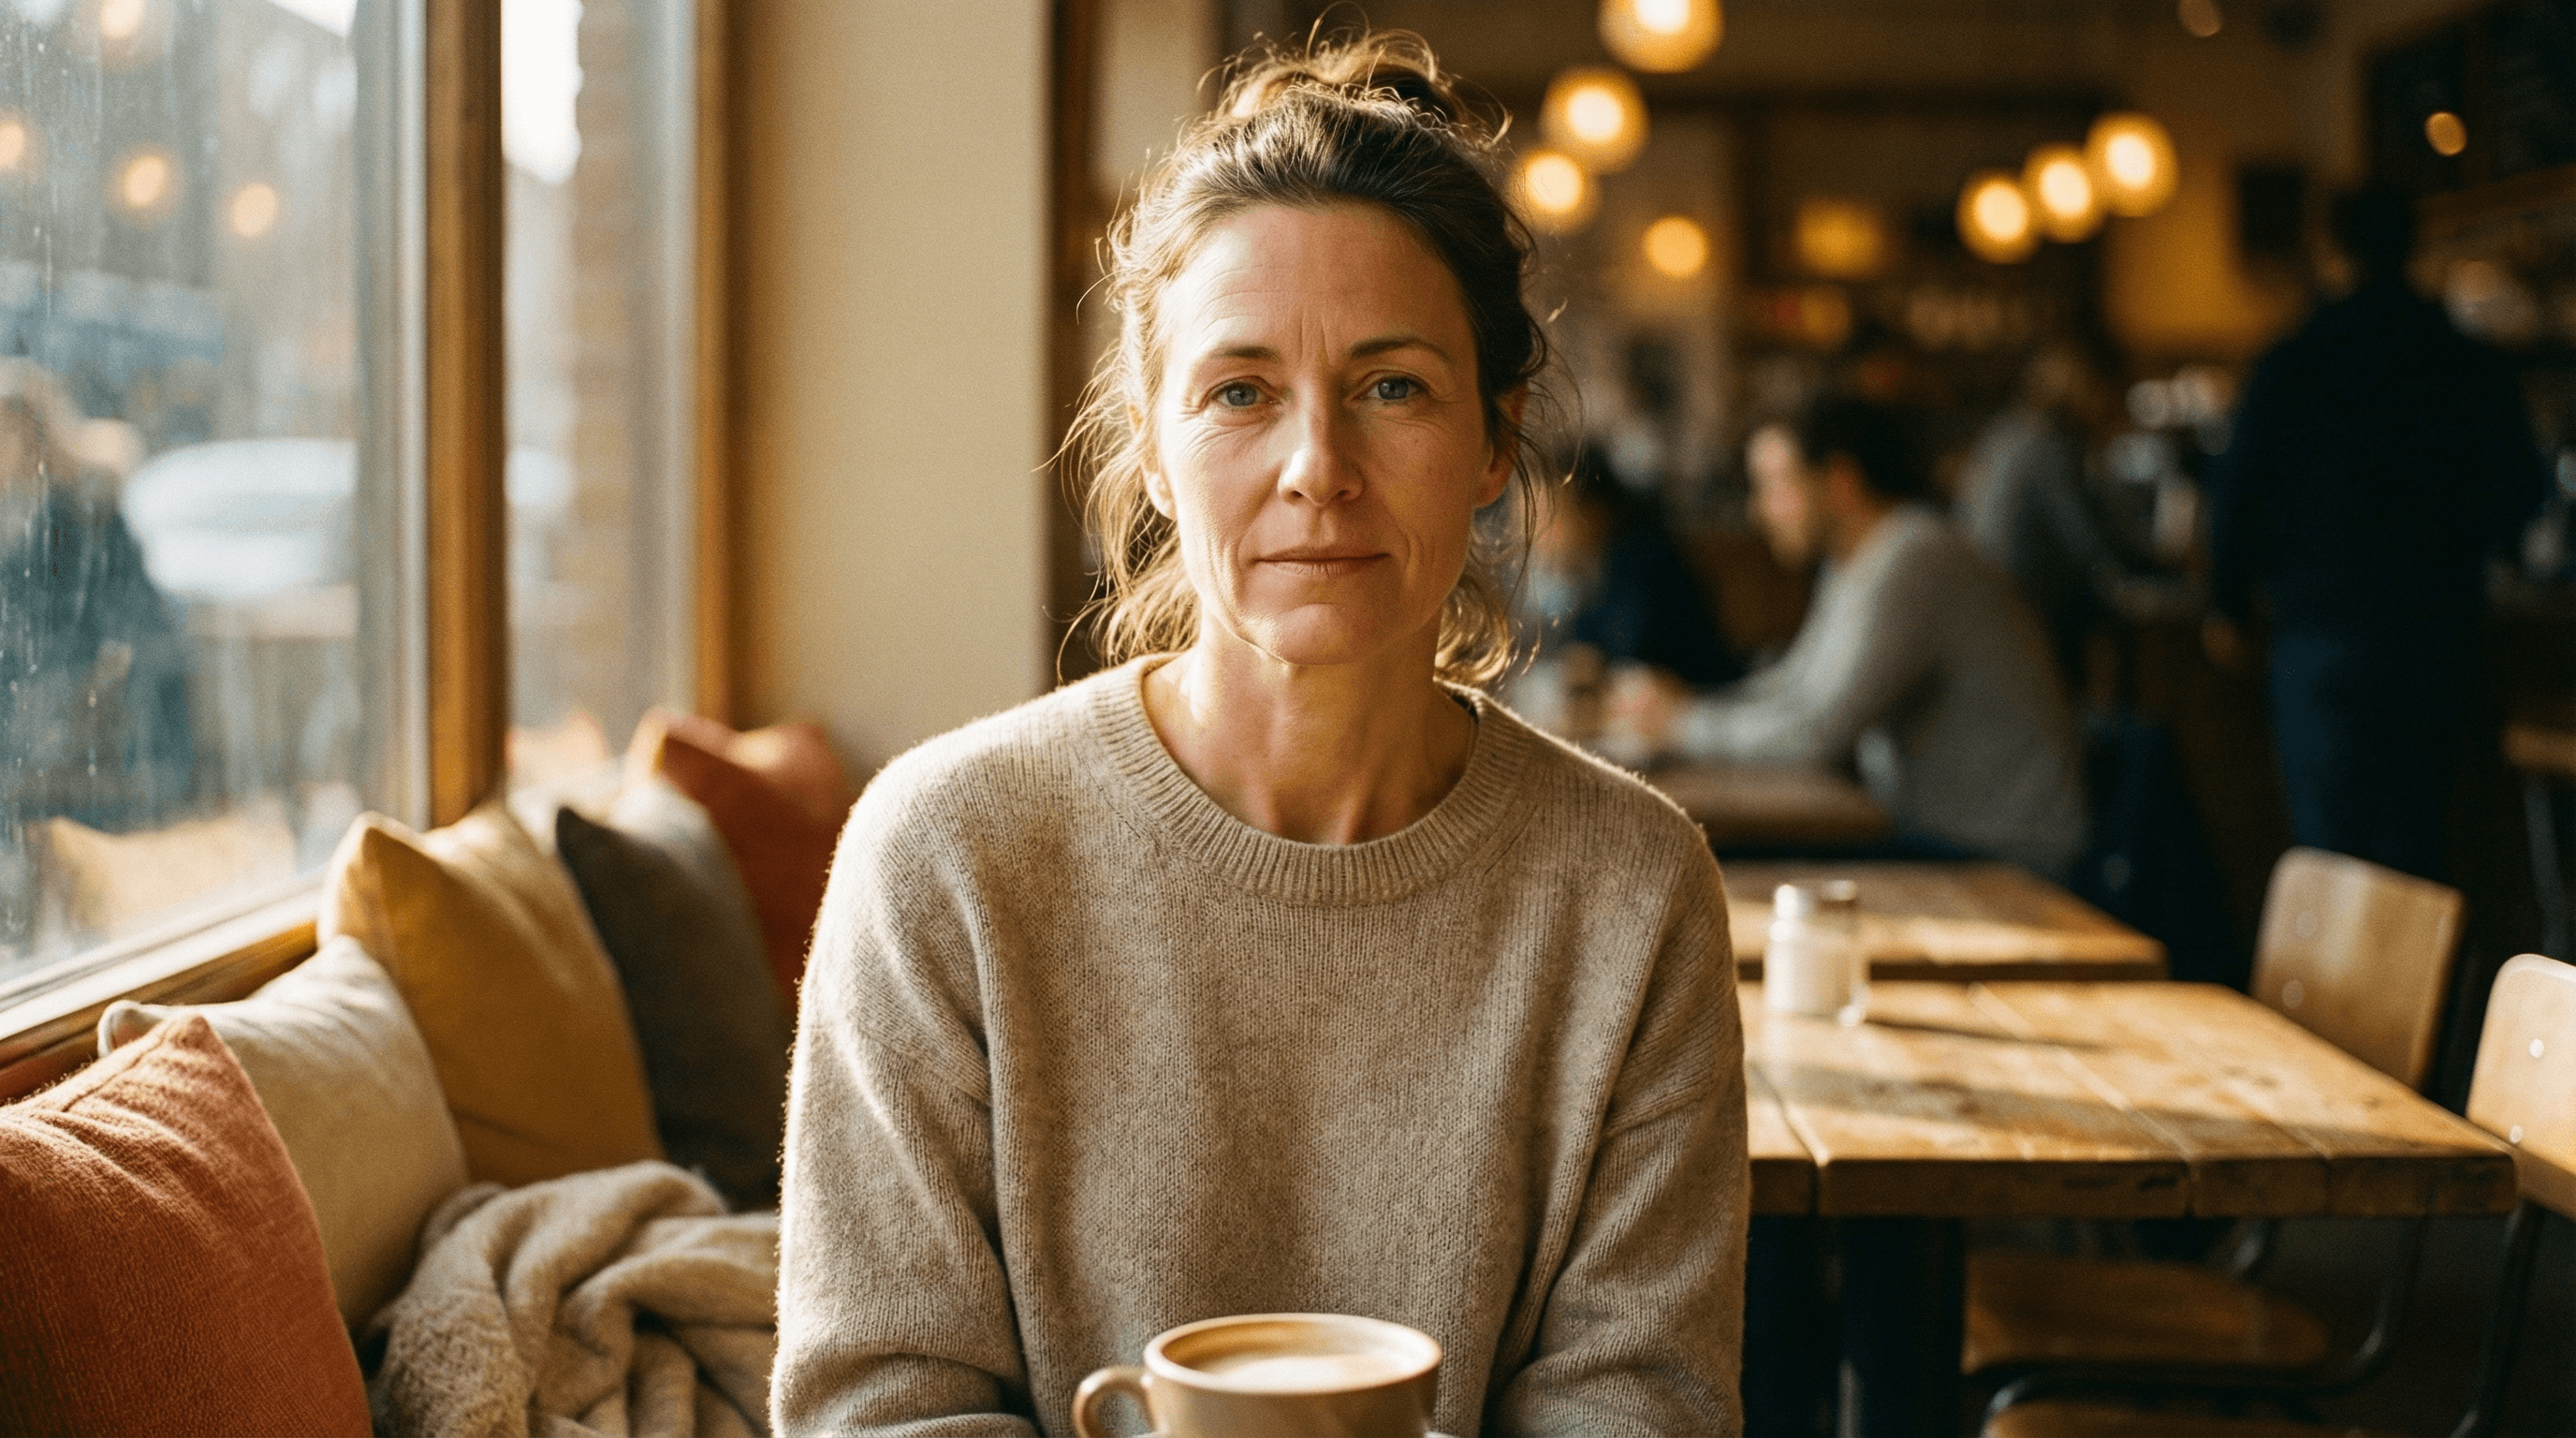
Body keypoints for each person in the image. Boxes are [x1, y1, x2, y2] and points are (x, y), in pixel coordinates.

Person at [772, 35, 1748, 1438]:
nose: (1316, 469)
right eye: (1239, 392)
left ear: (1495, 440)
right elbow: (881, 1405)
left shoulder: (1636, 891)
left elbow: (1637, 1408)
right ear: (1155, 451)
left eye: (1392, 386)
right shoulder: (944, 857)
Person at [2207, 186, 2548, 882]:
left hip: (2322, 626)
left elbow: (2237, 493)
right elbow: (2522, 489)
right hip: (2437, 631)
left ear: (2331, 252)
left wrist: (2227, 605)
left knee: (2330, 856)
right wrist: (2469, 543)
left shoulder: (2295, 361)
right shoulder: (2466, 362)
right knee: (2420, 853)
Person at [1629, 398, 2086, 877]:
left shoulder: (1912, 558)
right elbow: (1793, 690)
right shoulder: (1856, 560)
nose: (1759, 512)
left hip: (2004, 854)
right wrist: (1683, 710)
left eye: (1776, 485)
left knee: (1706, 865)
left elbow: (1815, 735)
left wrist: (1683, 725)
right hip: (1940, 837)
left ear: (1840, 481)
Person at [1953, 342, 2130, 689]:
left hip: (1984, 604)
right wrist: (2142, 569)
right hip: (2024, 611)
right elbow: (2084, 541)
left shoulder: (2006, 431)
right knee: (2115, 619)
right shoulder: (2048, 444)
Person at [1527, 444, 1742, 687]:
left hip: (1706, 696)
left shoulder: (1644, 563)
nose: (1534, 533)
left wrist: (1589, 664)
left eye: (1547, 516)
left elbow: (1629, 656)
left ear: (1594, 512)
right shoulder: (1591, 567)